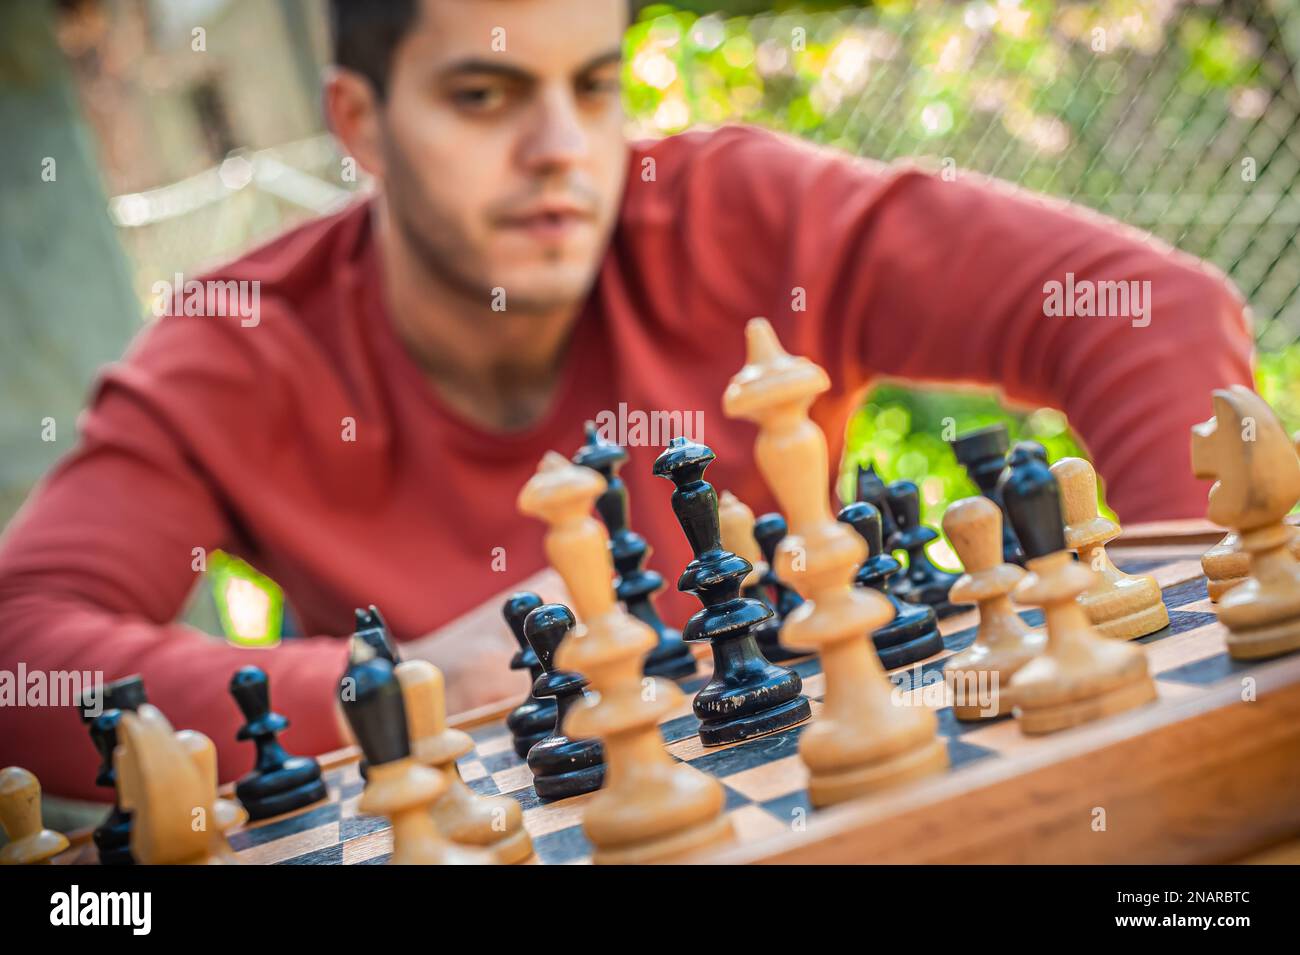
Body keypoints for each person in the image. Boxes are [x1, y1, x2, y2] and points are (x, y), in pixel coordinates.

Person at [0, 0, 1252, 801]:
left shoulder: (736, 215)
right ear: (360, 124)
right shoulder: (244, 343)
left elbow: (1149, 308)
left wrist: (1171, 682)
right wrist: (392, 688)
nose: (560, 148)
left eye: (593, 85)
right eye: (485, 95)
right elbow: (20, 660)